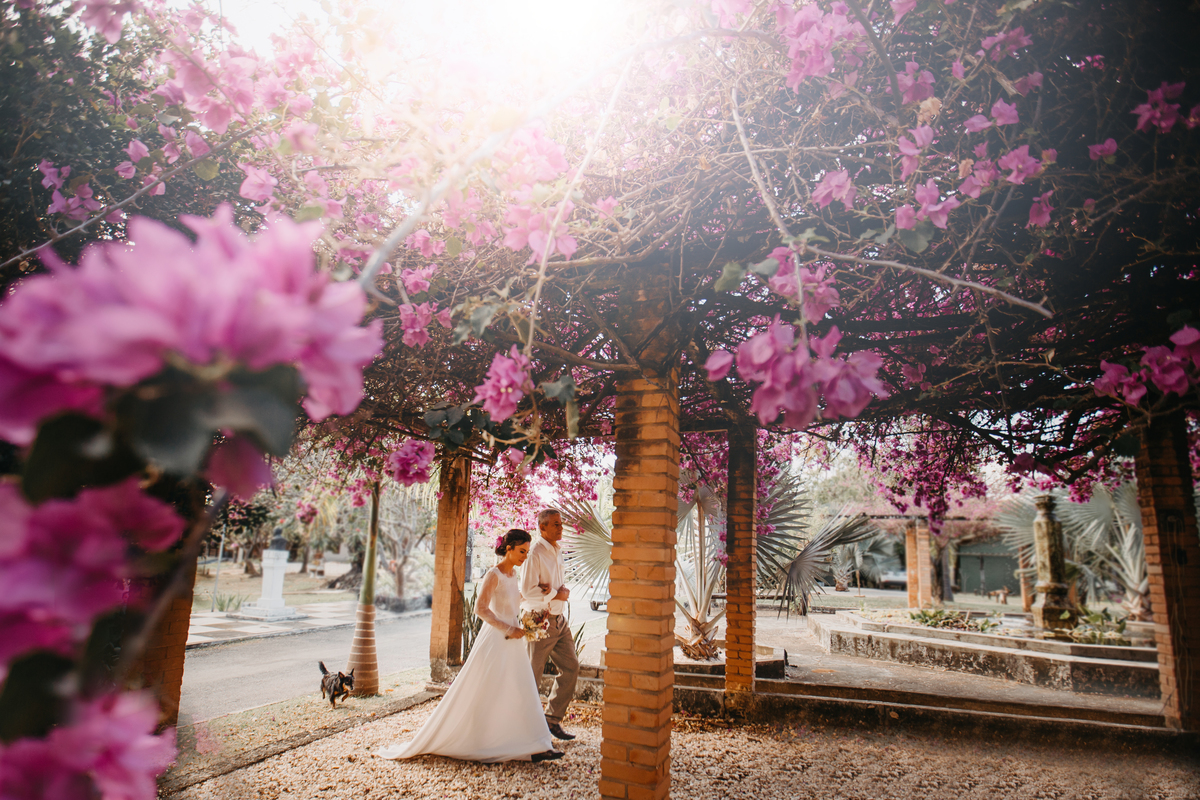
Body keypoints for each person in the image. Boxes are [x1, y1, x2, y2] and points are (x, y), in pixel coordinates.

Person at [375, 529, 562, 763]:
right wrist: (508, 628)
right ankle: (479, 738)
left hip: (514, 639)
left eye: (526, 552)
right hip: (497, 639)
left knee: (520, 689)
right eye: (522, 551)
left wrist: (539, 602)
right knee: (485, 689)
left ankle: (536, 744)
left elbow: (514, 601)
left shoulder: (514, 575)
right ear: (509, 548)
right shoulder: (494, 574)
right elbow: (480, 609)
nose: (525, 556)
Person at [520, 508, 580, 741]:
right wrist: (556, 594)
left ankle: (551, 720)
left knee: (572, 667)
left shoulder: (557, 550)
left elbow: (554, 588)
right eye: (555, 524)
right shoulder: (534, 554)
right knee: (531, 675)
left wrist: (557, 593)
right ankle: (527, 730)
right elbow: (527, 591)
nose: (560, 527)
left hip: (558, 621)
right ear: (542, 527)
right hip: (537, 619)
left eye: (561, 523)